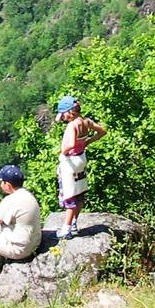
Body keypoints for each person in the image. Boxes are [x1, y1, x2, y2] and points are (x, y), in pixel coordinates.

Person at [55, 95, 106, 239]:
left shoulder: (72, 125)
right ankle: (74, 223)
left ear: (70, 112)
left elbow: (71, 143)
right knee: (79, 191)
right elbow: (102, 131)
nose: (62, 117)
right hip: (81, 158)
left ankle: (66, 229)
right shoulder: (86, 122)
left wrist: (63, 151)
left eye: (63, 114)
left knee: (69, 195)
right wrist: (87, 142)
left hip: (70, 162)